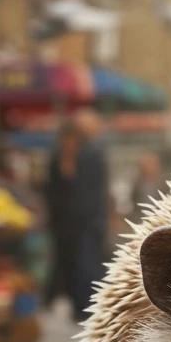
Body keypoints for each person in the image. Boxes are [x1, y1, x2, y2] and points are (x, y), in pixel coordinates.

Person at [45, 109, 109, 323]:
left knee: (86, 266)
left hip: (87, 224)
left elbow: (89, 195)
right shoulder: (58, 158)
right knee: (72, 266)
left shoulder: (91, 156)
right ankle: (78, 305)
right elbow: (54, 191)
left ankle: (88, 307)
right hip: (66, 225)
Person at [130, 152, 166, 220]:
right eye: (146, 164)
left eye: (151, 163)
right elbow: (133, 200)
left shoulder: (163, 182)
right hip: (140, 217)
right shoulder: (137, 183)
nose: (148, 167)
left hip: (160, 216)